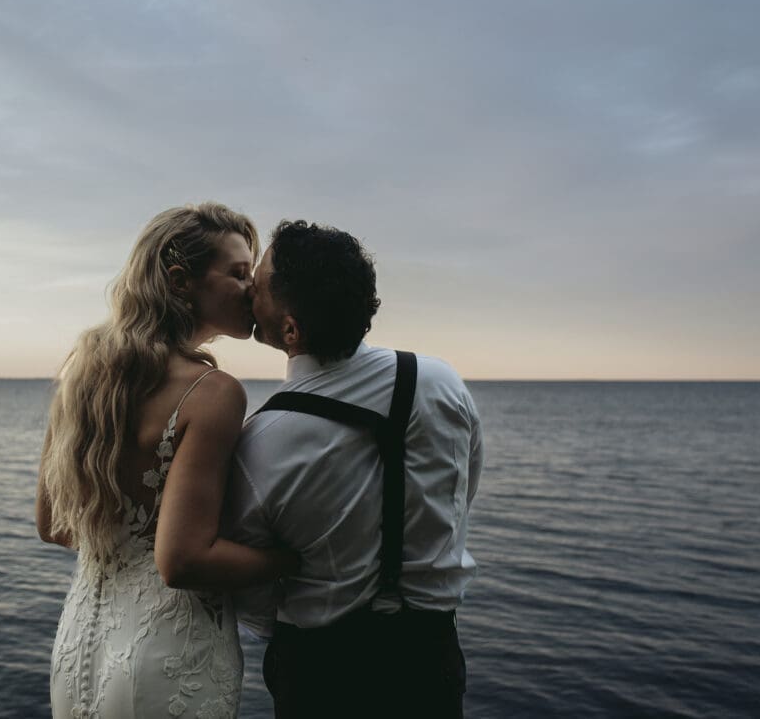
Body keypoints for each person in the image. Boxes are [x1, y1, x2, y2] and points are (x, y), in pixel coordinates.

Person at [36, 203, 297, 719]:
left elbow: (53, 526)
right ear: (181, 280)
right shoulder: (212, 392)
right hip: (170, 655)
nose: (253, 290)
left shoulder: (81, 376)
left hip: (79, 649)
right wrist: (292, 560)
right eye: (238, 274)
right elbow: (184, 560)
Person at [227, 220, 483, 718]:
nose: (248, 287)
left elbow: (254, 599)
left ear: (291, 329)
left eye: (258, 280)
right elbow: (463, 489)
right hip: (430, 659)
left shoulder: (259, 443)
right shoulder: (438, 381)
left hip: (320, 673)